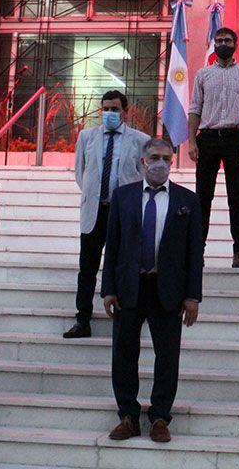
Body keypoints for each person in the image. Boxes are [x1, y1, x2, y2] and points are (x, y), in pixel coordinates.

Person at [102, 137, 204, 444]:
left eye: (166, 158)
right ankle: (128, 416)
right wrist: (108, 289)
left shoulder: (187, 200)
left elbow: (194, 252)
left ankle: (160, 416)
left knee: (167, 356)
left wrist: (192, 296)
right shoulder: (123, 197)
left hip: (168, 289)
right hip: (130, 287)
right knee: (124, 354)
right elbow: (113, 244)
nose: (160, 163)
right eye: (154, 157)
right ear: (142, 162)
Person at [65, 90, 151, 338]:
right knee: (87, 268)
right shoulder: (87, 137)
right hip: (95, 211)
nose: (110, 113)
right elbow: (81, 172)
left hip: (123, 213)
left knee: (124, 266)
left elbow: (143, 175)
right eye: (106, 109)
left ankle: (125, 318)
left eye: (115, 109)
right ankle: (83, 318)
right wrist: (93, 194)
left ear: (125, 111)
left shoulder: (140, 140)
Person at [186, 26, 239, 268]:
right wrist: (192, 141)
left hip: (235, 139)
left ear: (235, 44)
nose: (223, 44)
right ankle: (198, 251)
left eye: (227, 40)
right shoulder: (203, 74)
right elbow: (195, 109)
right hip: (207, 138)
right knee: (202, 197)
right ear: (214, 44)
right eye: (219, 41)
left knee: (236, 197)